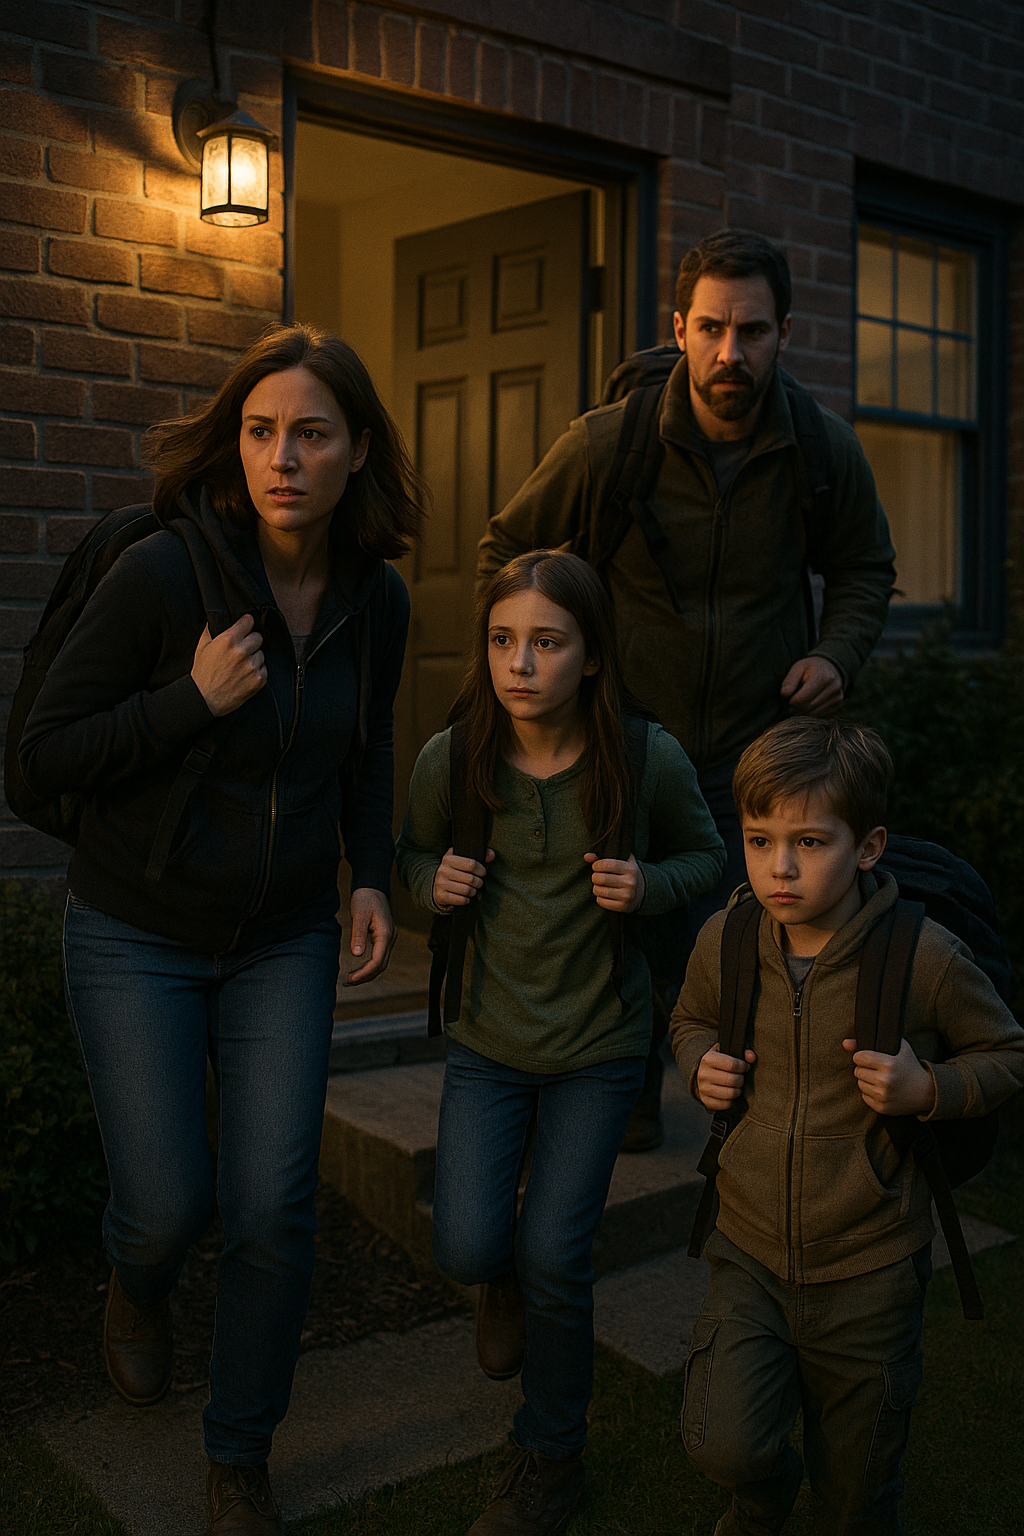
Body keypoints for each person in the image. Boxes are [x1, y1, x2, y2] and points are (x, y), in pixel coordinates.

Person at [19, 323, 423, 1536]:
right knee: (166, 1207)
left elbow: (367, 748)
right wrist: (190, 702)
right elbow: (42, 756)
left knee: (274, 1207)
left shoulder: (376, 599)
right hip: (134, 930)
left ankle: (238, 1453)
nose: (282, 458)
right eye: (260, 432)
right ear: (235, 445)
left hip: (283, 940)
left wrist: (369, 876)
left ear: (358, 451)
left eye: (311, 434)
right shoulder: (162, 576)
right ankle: (135, 1286)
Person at [477, 228, 897, 1150]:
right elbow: (507, 552)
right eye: (710, 328)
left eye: (752, 331)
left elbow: (867, 567)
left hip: (759, 747)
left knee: (744, 937)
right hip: (625, 736)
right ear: (679, 328)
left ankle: (739, 1116)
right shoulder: (606, 444)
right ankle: (623, 1097)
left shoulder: (821, 450)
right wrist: (549, 665)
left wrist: (836, 656)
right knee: (618, 925)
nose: (729, 352)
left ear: (785, 333)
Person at [397, 549, 725, 1536]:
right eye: (503, 640)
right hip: (487, 1043)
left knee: (556, 1252)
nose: (521, 663)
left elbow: (707, 856)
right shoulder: (452, 756)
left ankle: (549, 1452)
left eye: (546, 642)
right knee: (466, 1241)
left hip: (598, 1046)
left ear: (591, 656)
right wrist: (428, 883)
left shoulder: (644, 756)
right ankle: (496, 1278)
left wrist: (648, 885)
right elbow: (409, 855)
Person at [670, 717, 1024, 1536]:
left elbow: (1007, 1052)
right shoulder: (727, 938)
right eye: (759, 840)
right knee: (722, 1443)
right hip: (748, 1250)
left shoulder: (924, 957)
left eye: (809, 842)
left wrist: (928, 1087)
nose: (780, 867)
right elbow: (689, 1018)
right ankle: (761, 1497)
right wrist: (696, 1062)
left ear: (868, 848)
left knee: (858, 1488)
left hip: (872, 1264)